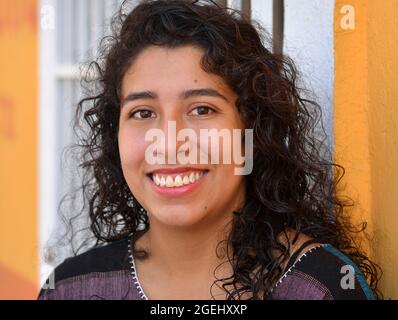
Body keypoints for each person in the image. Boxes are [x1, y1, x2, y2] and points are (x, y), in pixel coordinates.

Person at [37, 0, 381, 300]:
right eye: (143, 113)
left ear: (252, 130)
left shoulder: (317, 287)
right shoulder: (72, 288)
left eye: (202, 109)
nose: (170, 143)